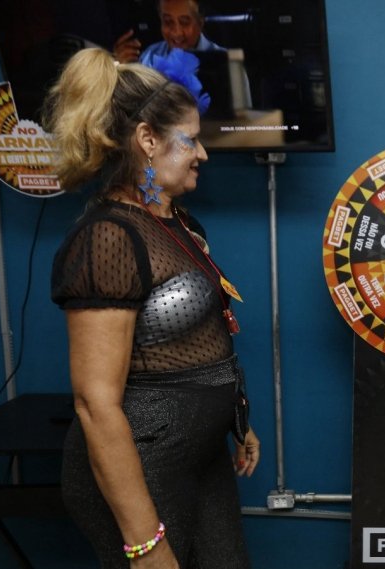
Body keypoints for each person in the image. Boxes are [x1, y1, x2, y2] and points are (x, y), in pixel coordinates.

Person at [44, 47, 259, 568]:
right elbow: (95, 403)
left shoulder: (178, 222)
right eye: (190, 139)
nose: (202, 154)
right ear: (147, 140)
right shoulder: (108, 237)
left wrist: (236, 416)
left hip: (200, 455)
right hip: (146, 466)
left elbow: (206, 332)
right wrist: (145, 544)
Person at [113, 0, 225, 66]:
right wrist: (122, 68)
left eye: (184, 22)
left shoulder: (224, 61)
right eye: (168, 22)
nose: (177, 32)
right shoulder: (150, 57)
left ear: (200, 22)